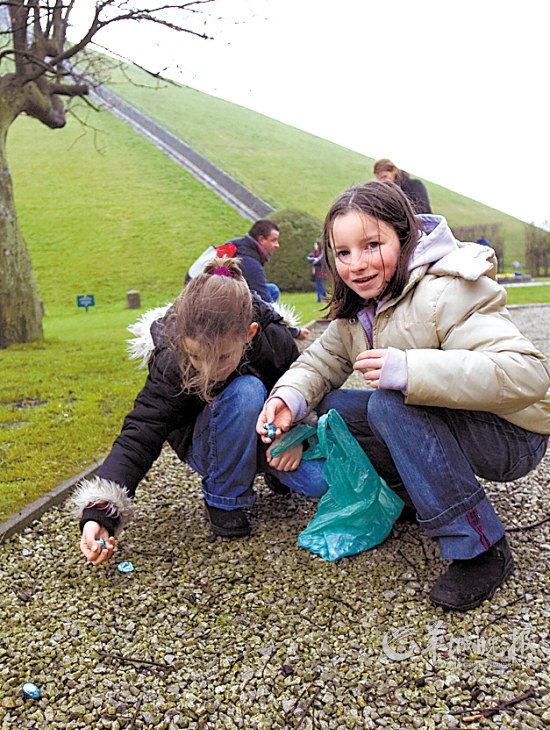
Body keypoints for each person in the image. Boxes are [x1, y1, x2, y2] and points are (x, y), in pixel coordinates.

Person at [256, 181, 550, 612]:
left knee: (390, 403)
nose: (356, 265)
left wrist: (411, 368)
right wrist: (287, 399)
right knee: (336, 409)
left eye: (372, 245)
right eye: (343, 253)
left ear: (404, 236)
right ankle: (418, 500)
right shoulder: (361, 310)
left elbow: (529, 372)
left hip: (512, 436)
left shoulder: (448, 289)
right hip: (466, 422)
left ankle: (480, 546)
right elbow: (318, 364)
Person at [74, 257, 327, 565]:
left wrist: (295, 438)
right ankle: (225, 497)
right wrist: (100, 512)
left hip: (266, 434)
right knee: (247, 390)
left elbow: (306, 392)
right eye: (196, 356)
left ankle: (271, 472)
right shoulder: (170, 360)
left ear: (250, 333)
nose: (210, 370)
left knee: (319, 482)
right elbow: (141, 432)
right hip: (207, 444)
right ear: (181, 338)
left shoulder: (274, 341)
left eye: (222, 357)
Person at [186, 220, 309, 340]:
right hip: (208, 307)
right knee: (266, 296)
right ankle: (259, 335)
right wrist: (295, 332)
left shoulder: (236, 244)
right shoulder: (250, 264)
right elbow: (267, 306)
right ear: (261, 239)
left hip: (195, 294)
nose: (277, 245)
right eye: (274, 240)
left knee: (271, 289)